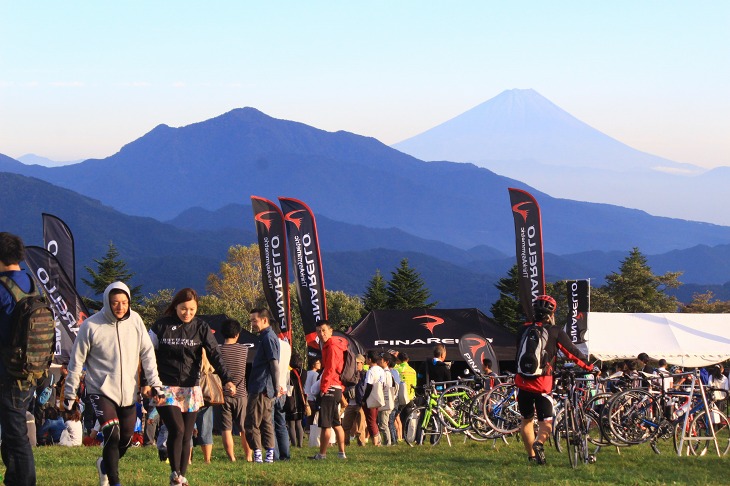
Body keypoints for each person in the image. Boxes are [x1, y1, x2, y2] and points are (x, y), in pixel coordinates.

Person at [64, 281, 164, 486]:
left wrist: (155, 383)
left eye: (124, 302)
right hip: (100, 389)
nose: (120, 307)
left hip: (129, 391)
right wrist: (69, 393)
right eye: (115, 302)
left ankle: (104, 465)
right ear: (107, 302)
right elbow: (76, 361)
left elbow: (147, 354)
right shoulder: (91, 325)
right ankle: (114, 482)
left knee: (126, 439)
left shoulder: (136, 320)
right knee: (112, 432)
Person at [148, 288, 236, 485]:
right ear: (175, 307)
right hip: (165, 387)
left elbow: (215, 354)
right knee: (177, 430)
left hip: (191, 388)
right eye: (183, 309)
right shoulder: (160, 326)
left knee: (187, 434)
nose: (187, 313)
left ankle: (181, 477)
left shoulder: (201, 327)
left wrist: (227, 378)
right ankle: (174, 472)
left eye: (192, 309)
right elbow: (145, 354)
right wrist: (147, 382)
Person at [515, 295, 598, 466]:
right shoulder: (555, 331)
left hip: (522, 382)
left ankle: (531, 456)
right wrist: (590, 367)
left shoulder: (522, 329)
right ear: (551, 313)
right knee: (546, 422)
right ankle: (539, 443)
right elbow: (572, 352)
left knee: (526, 420)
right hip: (542, 384)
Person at [0, 232, 44, 485]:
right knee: (12, 431)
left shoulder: (3, 289)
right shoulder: (31, 283)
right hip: (31, 372)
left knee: (17, 437)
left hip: (7, 373)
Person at [244, 307, 280, 464]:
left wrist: (277, 385)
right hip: (265, 387)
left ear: (264, 320)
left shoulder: (268, 338)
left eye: (254, 320)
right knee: (266, 422)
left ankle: (258, 454)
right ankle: (269, 455)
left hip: (260, 387)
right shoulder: (268, 337)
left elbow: (274, 364)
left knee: (251, 422)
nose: (252, 324)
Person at [310, 320, 348, 460]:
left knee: (325, 424)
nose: (321, 333)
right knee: (336, 423)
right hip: (337, 387)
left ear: (331, 330)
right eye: (319, 331)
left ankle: (322, 454)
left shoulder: (331, 345)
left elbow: (330, 369)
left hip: (331, 387)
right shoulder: (335, 344)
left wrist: (323, 388)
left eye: (324, 330)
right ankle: (341, 453)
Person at [217, 318, 251, 462]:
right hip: (241, 394)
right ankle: (249, 456)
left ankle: (232, 457)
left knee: (226, 428)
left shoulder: (217, 350)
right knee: (244, 428)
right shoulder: (244, 349)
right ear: (237, 334)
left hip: (223, 394)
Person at [341, 354, 367, 446]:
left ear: (362, 363)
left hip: (360, 403)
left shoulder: (365, 374)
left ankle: (361, 442)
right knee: (345, 425)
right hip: (350, 403)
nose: (355, 365)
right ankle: (345, 442)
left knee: (360, 426)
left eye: (357, 363)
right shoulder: (350, 374)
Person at [272, 336, 291, 460]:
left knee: (270, 425)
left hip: (273, 388)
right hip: (283, 388)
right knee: (281, 424)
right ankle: (285, 454)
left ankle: (275, 454)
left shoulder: (270, 343)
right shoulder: (287, 346)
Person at [361, 350, 384, 446]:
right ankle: (377, 439)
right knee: (374, 419)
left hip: (370, 397)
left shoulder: (370, 371)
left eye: (366, 358)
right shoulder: (381, 370)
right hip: (378, 396)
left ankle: (376, 442)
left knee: (370, 420)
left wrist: (364, 399)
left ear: (370, 359)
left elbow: (369, 386)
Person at [284, 354, 306, 448]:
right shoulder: (304, 372)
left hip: (291, 399)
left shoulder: (289, 373)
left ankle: (293, 443)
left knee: (291, 424)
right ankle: (300, 444)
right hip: (301, 399)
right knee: (299, 422)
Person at [303, 357, 321, 426]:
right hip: (312, 398)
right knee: (312, 418)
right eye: (318, 363)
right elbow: (314, 387)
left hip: (306, 397)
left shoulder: (307, 373)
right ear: (313, 365)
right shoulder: (315, 374)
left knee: (308, 417)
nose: (320, 364)